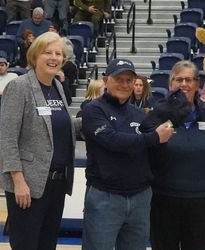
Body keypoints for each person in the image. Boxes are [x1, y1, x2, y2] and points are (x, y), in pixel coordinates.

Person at [81, 58, 174, 250]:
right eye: (118, 79)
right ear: (106, 80)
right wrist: (155, 138)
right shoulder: (93, 109)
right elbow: (111, 140)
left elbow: (157, 151)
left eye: (129, 80)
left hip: (140, 197)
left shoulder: (140, 115)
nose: (124, 84)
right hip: (105, 197)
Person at [0, 32, 76, 250]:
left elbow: (60, 126)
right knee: (26, 245)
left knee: (47, 245)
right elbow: (8, 139)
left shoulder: (58, 87)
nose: (54, 57)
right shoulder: (19, 87)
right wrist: (19, 182)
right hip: (28, 185)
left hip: (56, 184)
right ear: (34, 56)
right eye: (47, 52)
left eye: (58, 53)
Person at [148, 60, 205, 250]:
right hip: (163, 199)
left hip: (200, 201)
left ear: (197, 84)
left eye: (189, 80)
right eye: (179, 79)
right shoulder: (156, 117)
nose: (184, 84)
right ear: (170, 84)